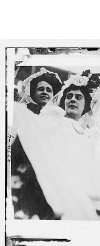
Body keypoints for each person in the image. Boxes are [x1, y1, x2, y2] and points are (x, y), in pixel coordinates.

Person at [10, 68, 63, 219]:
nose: (45, 92)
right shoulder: (22, 114)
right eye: (40, 89)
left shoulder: (57, 120)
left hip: (50, 173)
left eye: (49, 89)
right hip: (26, 168)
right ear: (32, 93)